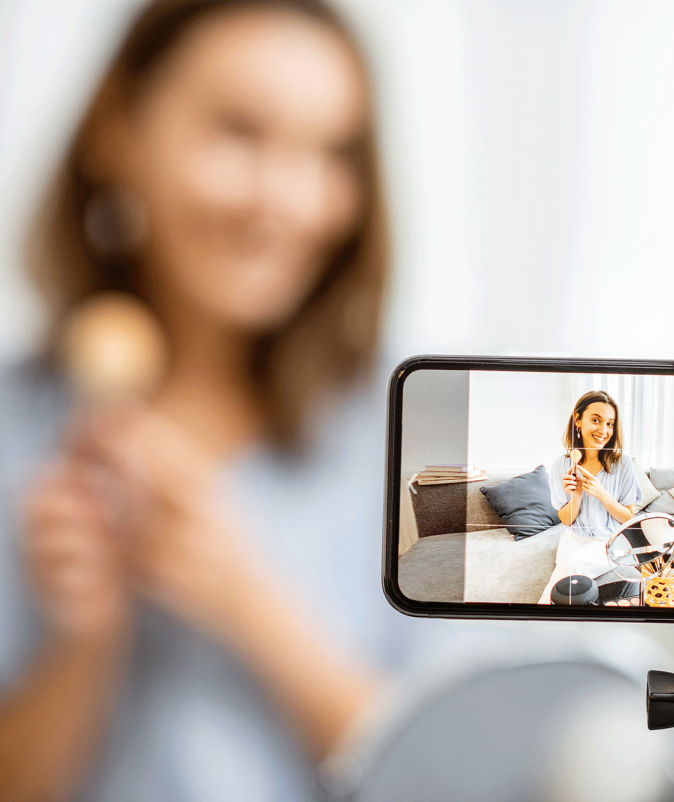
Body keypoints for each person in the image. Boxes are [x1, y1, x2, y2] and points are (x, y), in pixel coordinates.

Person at [0, 1, 399, 799]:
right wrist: (84, 637)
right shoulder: (18, 428)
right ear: (120, 131)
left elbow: (457, 770)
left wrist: (241, 596)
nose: (287, 200)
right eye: (240, 132)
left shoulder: (403, 431)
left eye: (332, 153)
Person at [538, 390, 642, 604]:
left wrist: (602, 494)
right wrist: (576, 496)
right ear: (578, 419)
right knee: (564, 569)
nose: (603, 430)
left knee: (574, 563)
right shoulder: (561, 465)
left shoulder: (622, 464)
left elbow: (628, 518)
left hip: (612, 540)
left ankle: (540, 616)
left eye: (610, 424)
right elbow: (566, 520)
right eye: (596, 420)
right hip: (574, 536)